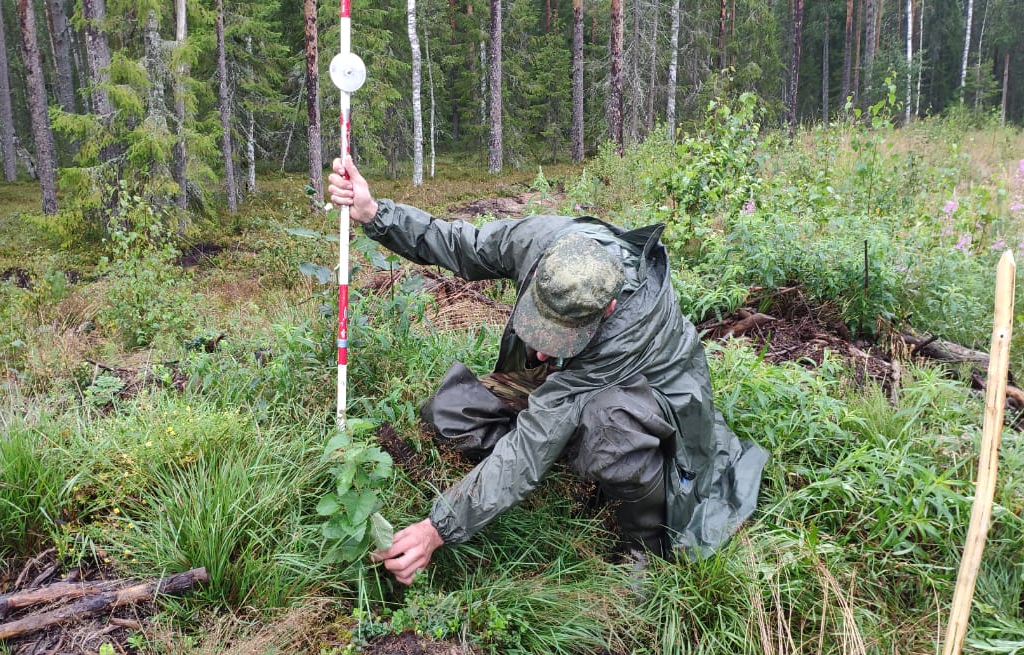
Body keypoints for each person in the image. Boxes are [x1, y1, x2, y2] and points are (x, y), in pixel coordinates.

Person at [327, 157, 768, 585]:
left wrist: (437, 528)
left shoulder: (624, 332)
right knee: (451, 410)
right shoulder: (542, 242)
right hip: (575, 385)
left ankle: (643, 545)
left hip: (654, 400)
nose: (539, 352)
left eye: (562, 338)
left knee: (608, 430)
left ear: (607, 308)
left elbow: (532, 442)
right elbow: (464, 244)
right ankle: (561, 461)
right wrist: (375, 213)